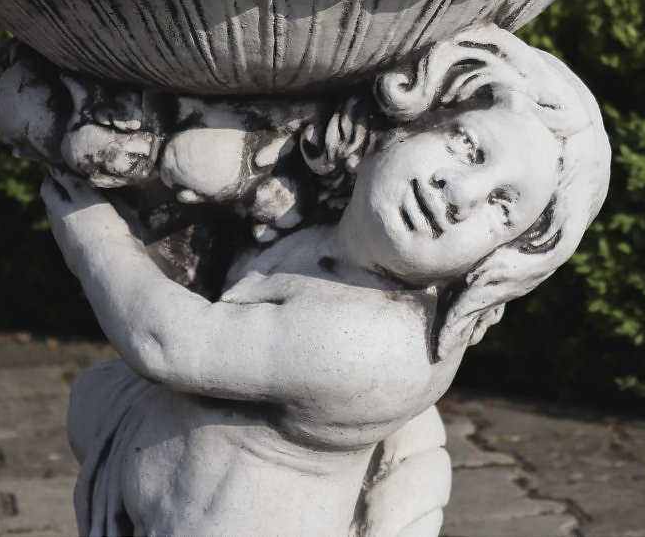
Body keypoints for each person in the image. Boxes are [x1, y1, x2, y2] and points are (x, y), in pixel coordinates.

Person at [45, 26, 610, 536]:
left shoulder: (374, 339)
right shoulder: (324, 231)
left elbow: (169, 343)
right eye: (467, 146)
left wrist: (93, 233)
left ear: (501, 258)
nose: (461, 195)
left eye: (502, 207)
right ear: (404, 124)